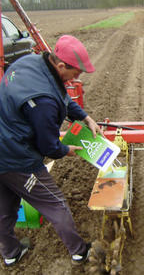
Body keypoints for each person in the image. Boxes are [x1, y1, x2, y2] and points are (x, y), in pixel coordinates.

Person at [0, 35, 101, 266]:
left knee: (5, 206)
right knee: (55, 204)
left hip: (2, 147)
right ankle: (79, 251)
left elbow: (62, 97)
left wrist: (86, 118)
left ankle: (11, 253)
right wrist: (67, 150)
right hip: (17, 158)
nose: (77, 78)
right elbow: (48, 145)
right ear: (61, 65)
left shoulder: (31, 62)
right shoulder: (43, 101)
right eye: (76, 73)